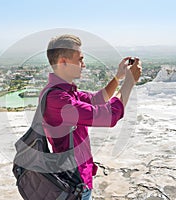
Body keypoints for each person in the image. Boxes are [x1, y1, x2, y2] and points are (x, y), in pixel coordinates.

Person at [40, 34, 141, 200]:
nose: (83, 65)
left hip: (80, 176)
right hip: (74, 183)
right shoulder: (58, 99)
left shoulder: (62, 91)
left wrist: (119, 77)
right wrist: (129, 83)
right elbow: (110, 116)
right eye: (79, 59)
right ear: (63, 62)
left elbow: (97, 100)